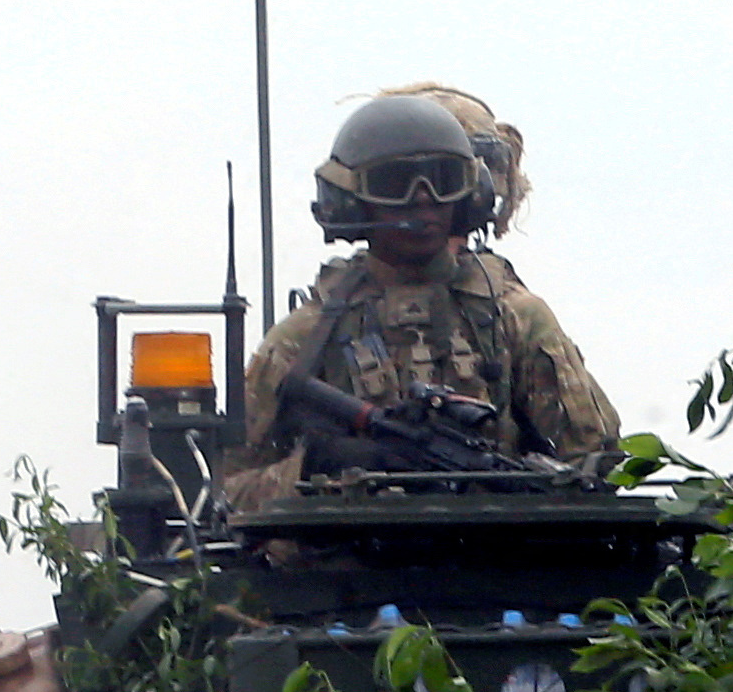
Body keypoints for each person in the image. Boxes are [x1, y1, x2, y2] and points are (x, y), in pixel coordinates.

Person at [226, 85, 622, 494]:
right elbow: (229, 492)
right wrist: (316, 469)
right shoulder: (304, 340)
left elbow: (595, 464)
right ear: (352, 201)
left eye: (442, 182)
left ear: (470, 195)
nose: (423, 203)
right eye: (394, 185)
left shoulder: (515, 319)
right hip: (350, 554)